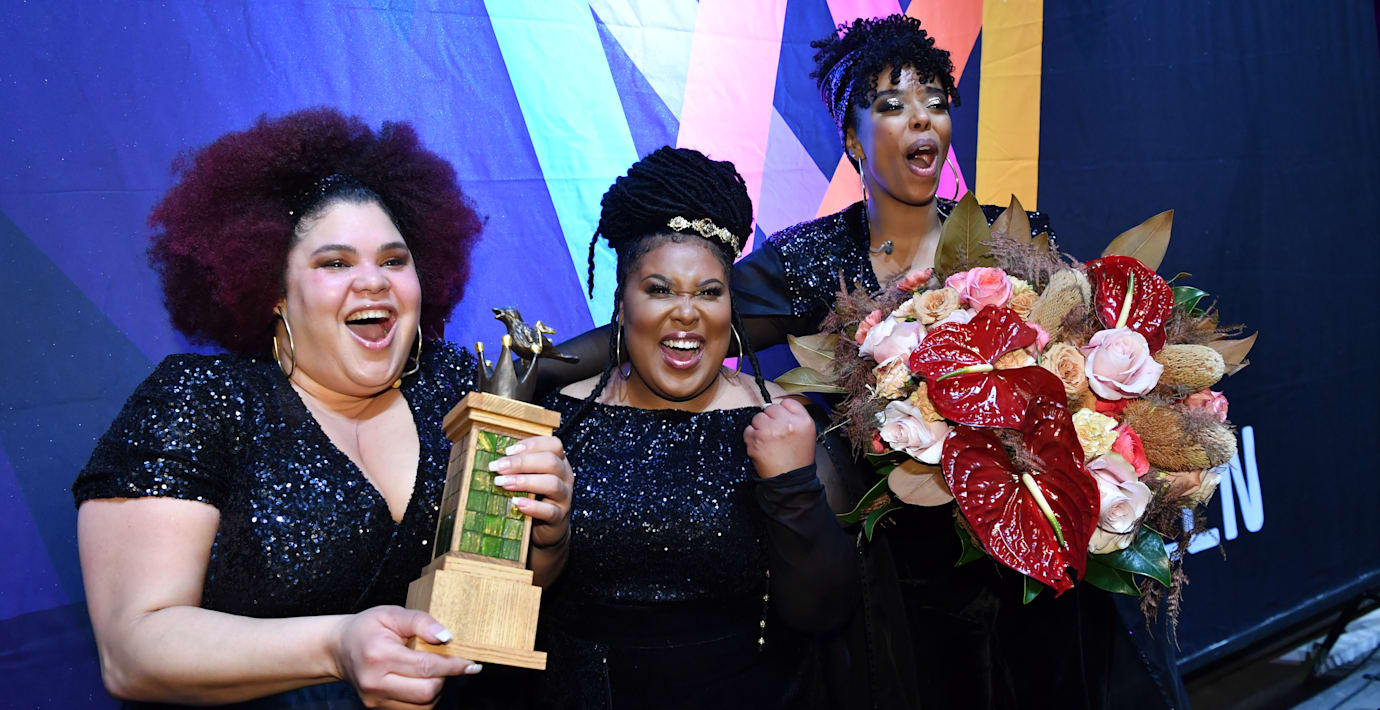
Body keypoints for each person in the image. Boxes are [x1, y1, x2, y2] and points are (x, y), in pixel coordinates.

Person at [543, 14, 1189, 710]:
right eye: (892, 104)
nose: (922, 118)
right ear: (852, 140)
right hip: (906, 592)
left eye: (935, 101)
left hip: (1026, 565)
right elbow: (691, 318)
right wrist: (537, 367)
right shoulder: (811, 259)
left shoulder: (1013, 238)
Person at [72, 108, 574, 709]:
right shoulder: (201, 400)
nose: (374, 282)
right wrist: (337, 646)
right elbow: (132, 651)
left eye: (394, 260)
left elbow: (495, 597)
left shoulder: (456, 388)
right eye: (336, 263)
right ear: (274, 291)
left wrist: (548, 539)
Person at [533, 147, 860, 709]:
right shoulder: (557, 422)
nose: (687, 312)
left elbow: (827, 614)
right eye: (659, 289)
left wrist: (792, 487)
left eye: (709, 292)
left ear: (731, 307)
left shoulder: (786, 422)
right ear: (622, 303)